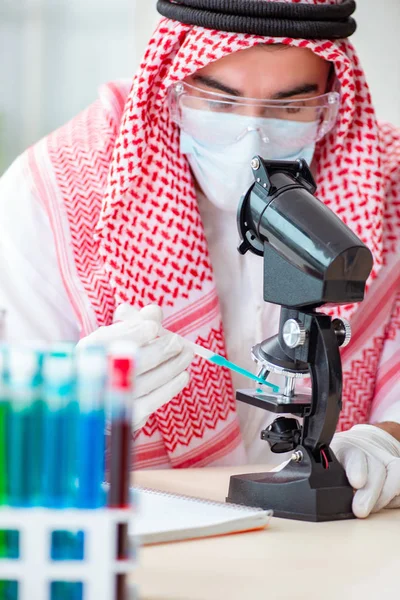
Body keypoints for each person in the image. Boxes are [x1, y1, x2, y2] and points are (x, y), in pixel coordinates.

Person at [0, 0, 399, 518]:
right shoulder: (52, 191)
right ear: (172, 90)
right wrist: (75, 410)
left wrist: (386, 443)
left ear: (331, 101)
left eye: (292, 108)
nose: (251, 140)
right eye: (219, 102)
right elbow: (15, 445)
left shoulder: (384, 182)